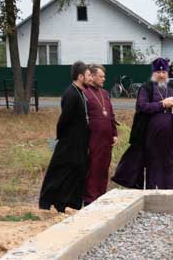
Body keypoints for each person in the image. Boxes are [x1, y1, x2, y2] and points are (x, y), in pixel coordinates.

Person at [112, 57, 173, 190]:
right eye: (158, 72)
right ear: (154, 73)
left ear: (167, 73)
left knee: (169, 163)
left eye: (164, 72)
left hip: (172, 137)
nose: (161, 75)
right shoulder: (146, 88)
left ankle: (168, 191)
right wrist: (162, 104)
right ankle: (153, 192)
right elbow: (142, 106)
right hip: (152, 137)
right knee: (154, 164)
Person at [39, 61, 91, 212]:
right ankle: (47, 202)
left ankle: (69, 204)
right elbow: (64, 120)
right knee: (60, 172)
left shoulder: (80, 92)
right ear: (80, 77)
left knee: (76, 172)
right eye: (88, 75)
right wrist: (63, 138)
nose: (90, 78)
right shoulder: (71, 94)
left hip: (80, 142)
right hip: (69, 142)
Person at [82, 63, 118, 204]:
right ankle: (90, 199)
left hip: (107, 138)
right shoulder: (84, 92)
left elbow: (111, 114)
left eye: (104, 76)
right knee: (93, 167)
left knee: (104, 167)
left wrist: (114, 133)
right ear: (92, 76)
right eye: (101, 76)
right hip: (93, 138)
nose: (104, 79)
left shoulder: (104, 93)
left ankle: (101, 195)